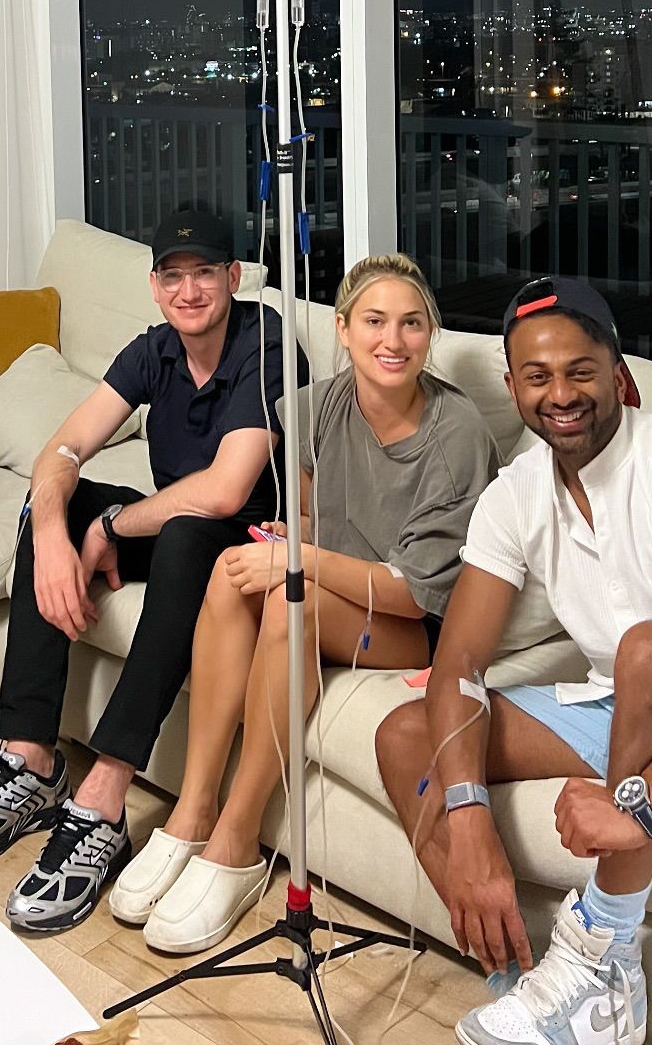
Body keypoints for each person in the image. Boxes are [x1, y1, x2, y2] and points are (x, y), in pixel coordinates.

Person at [375, 275, 652, 1045]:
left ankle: (602, 959)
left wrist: (634, 806)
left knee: (650, 647)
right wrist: (469, 815)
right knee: (405, 735)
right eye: (538, 377)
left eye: (581, 371)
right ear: (512, 387)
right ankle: (523, 968)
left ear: (619, 374)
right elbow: (458, 667)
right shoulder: (516, 492)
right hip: (625, 700)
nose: (561, 394)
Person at [111, 253, 501, 954]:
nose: (394, 340)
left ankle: (237, 841)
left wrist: (302, 561)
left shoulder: (458, 434)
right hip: (343, 585)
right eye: (375, 321)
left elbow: (414, 594)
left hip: (420, 623)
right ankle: (191, 811)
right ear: (344, 330)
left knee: (295, 600)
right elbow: (315, 518)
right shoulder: (318, 407)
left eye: (413, 324)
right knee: (235, 570)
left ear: (430, 335)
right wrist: (292, 538)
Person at [0, 207, 301, 933]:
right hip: (176, 525)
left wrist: (108, 526)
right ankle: (31, 759)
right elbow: (60, 451)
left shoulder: (269, 342)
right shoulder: (151, 351)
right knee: (52, 507)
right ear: (155, 287)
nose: (188, 291)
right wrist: (57, 536)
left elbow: (224, 493)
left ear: (234, 277)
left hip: (246, 547)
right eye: (173, 277)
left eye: (204, 275)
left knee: (190, 531)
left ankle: (105, 795)